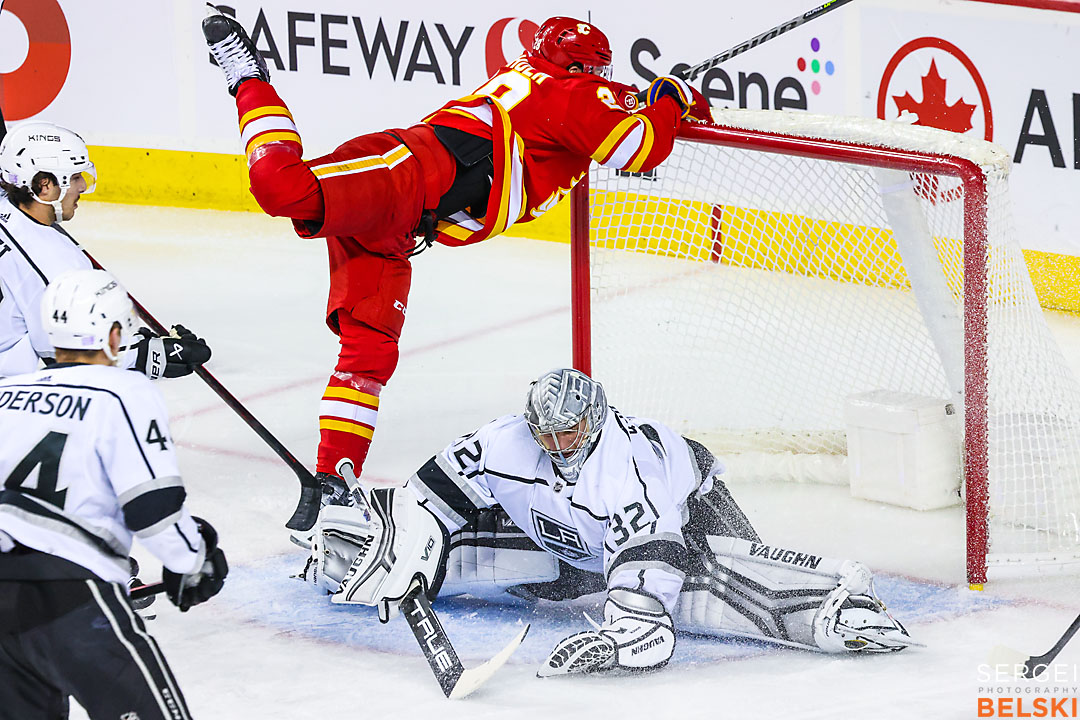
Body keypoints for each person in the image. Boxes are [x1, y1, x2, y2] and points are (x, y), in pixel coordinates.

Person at [201, 7, 710, 502]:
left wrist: (647, 100)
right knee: (281, 188)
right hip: (405, 174)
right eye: (599, 73)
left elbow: (597, 118)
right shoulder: (570, 91)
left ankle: (336, 482)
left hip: (403, 225)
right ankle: (248, 78)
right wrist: (668, 96)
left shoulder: (542, 82)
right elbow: (637, 148)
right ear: (583, 69)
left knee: (370, 355)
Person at [300, 368, 916, 675]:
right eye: (546, 430)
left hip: (692, 512)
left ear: (594, 421)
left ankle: (829, 609)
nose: (557, 441)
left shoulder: (628, 475)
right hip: (575, 543)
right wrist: (400, 538)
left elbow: (648, 616)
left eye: (569, 430)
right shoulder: (506, 442)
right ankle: (343, 554)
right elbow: (432, 490)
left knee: (701, 590)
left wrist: (623, 638)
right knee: (454, 547)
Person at [0, 269, 229, 719]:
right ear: (113, 334)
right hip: (72, 599)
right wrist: (192, 559)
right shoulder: (122, 392)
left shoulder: (6, 393)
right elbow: (153, 508)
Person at [0, 121, 212, 380]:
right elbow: (66, 356)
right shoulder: (56, 266)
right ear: (44, 186)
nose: (80, 187)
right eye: (75, 177)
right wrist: (150, 354)